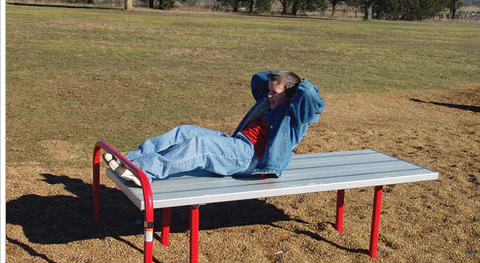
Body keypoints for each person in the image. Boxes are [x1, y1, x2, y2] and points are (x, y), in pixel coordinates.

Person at [103, 70, 325, 187]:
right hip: (237, 144)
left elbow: (313, 101)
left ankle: (143, 171)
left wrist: (299, 84)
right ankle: (130, 160)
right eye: (269, 90)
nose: (268, 96)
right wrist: (279, 83)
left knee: (201, 146)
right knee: (185, 131)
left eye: (274, 92)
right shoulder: (270, 103)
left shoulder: (296, 115)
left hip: (253, 159)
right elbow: (259, 78)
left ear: (290, 95)